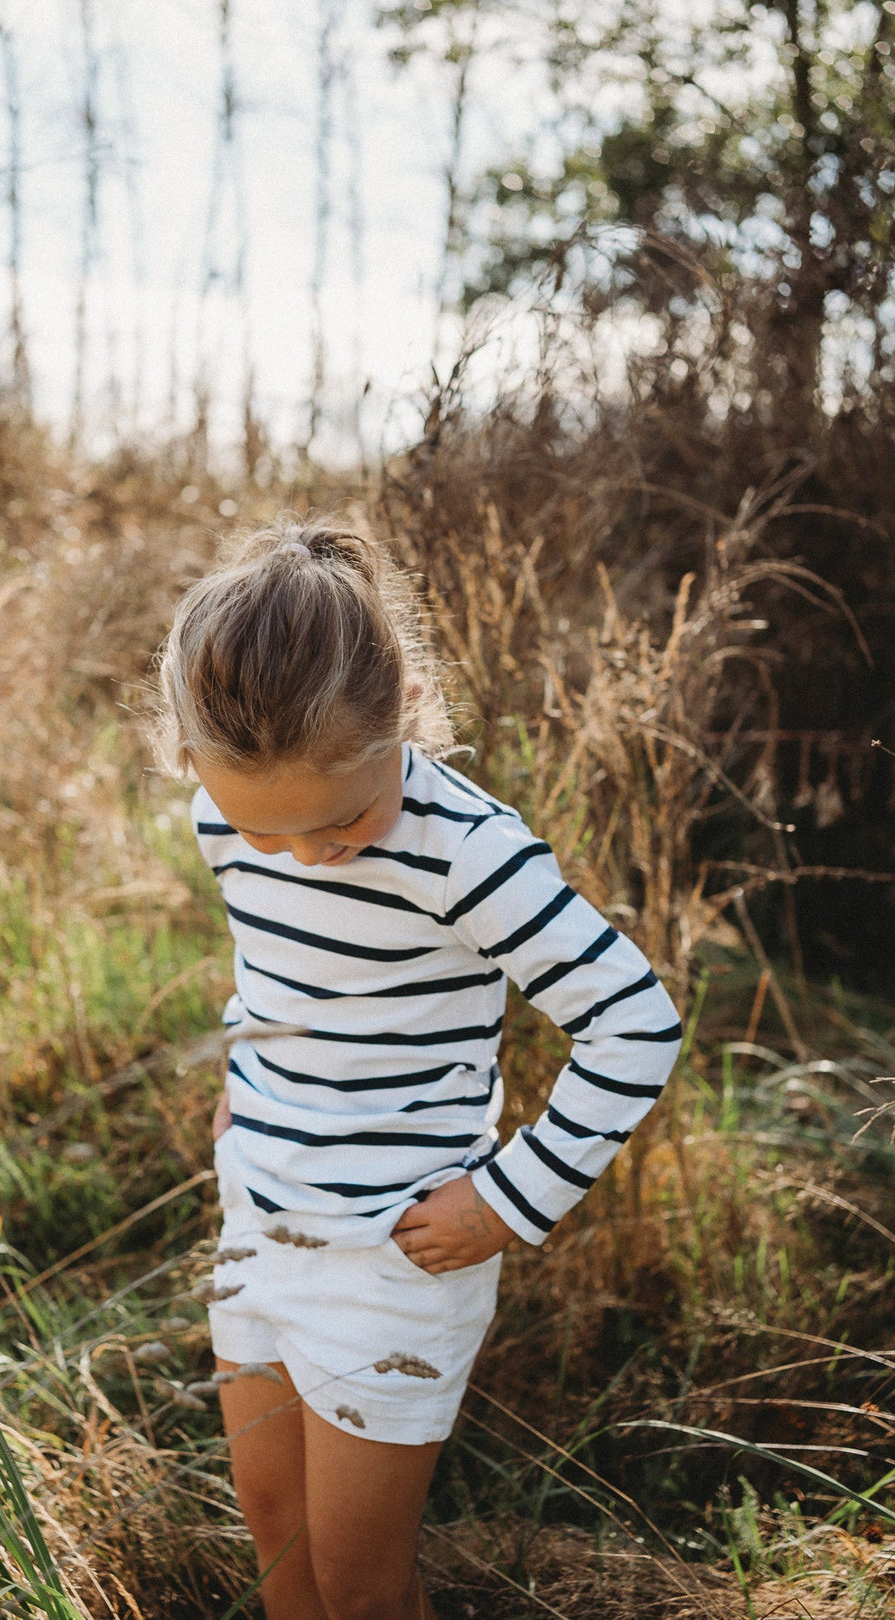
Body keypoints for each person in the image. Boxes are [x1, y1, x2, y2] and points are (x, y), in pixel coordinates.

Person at [154, 517, 682, 1620]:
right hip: (257, 1223)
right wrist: (237, 1091)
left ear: (401, 717)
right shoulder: (225, 811)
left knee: (358, 1583)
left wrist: (506, 1202)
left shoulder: (467, 852)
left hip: (394, 1262)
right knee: (275, 1535)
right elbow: (275, 968)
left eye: (341, 820)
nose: (305, 854)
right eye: (269, 831)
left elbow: (634, 1020)